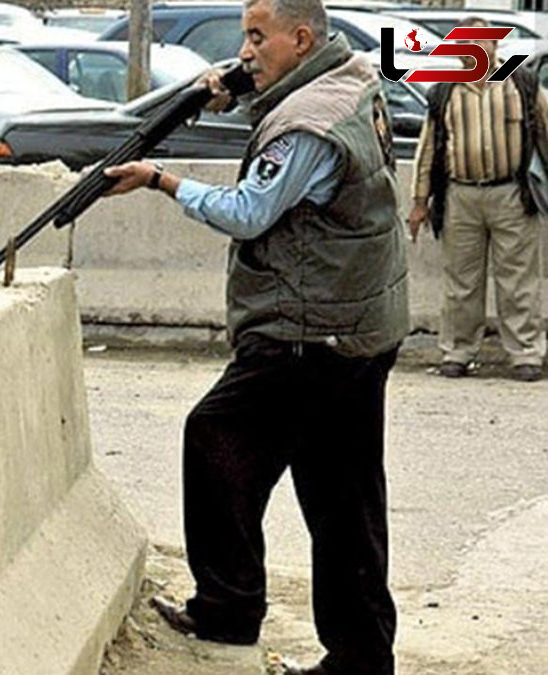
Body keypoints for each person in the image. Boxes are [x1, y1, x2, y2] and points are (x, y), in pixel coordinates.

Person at [100, 0, 409, 673]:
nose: (244, 51)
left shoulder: (306, 124)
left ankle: (229, 607)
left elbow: (249, 211)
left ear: (301, 39)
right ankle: (359, 654)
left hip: (309, 333)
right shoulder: (349, 78)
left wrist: (160, 179)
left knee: (216, 437)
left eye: (256, 37)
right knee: (345, 499)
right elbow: (286, 111)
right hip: (357, 322)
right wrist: (235, 89)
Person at [407, 16, 547, 383]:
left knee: (518, 281)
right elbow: (427, 151)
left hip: (512, 195)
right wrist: (420, 202)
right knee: (461, 282)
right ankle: (458, 352)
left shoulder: (523, 84)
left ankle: (525, 354)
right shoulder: (444, 92)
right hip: (461, 196)